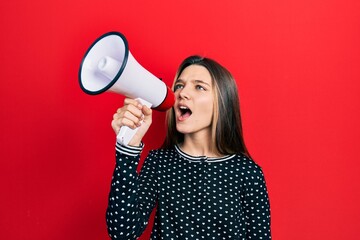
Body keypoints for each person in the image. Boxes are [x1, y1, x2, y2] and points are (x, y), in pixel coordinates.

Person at [106, 55, 271, 239]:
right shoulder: (159, 162)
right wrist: (127, 150)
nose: (182, 93)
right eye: (179, 86)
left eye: (199, 87)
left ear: (222, 101)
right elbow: (122, 233)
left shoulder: (248, 173)